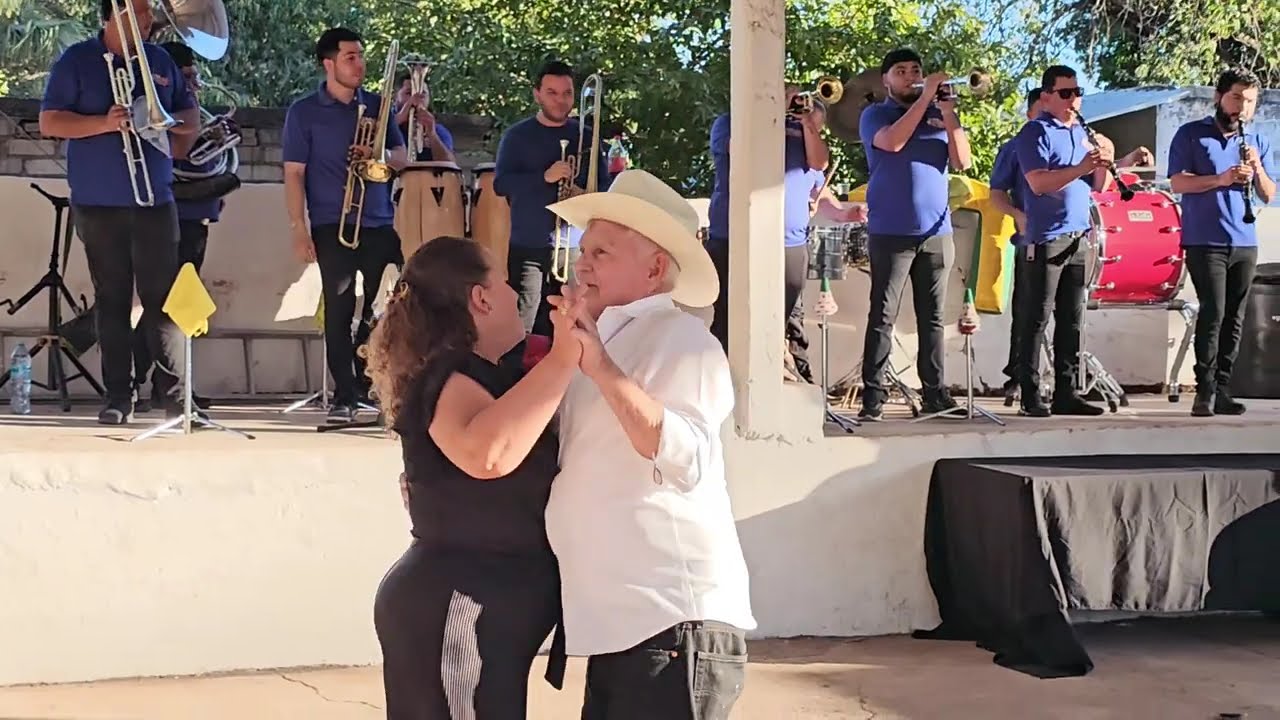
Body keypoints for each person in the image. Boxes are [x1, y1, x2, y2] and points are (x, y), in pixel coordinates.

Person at [546, 169, 755, 719]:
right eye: (583, 250)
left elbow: (687, 458)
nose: (582, 265)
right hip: (629, 624)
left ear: (655, 268)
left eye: (601, 252)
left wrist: (601, 367)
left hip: (671, 623)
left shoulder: (684, 340)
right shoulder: (607, 338)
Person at [365, 236, 574, 719]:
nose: (516, 296)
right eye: (505, 283)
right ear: (481, 298)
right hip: (460, 602)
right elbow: (488, 455)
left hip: (476, 606)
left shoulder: (489, 375)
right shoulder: (450, 374)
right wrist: (565, 357)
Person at [38, 0, 200, 425]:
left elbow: (188, 114)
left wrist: (174, 131)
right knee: (112, 301)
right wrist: (106, 123)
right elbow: (50, 122)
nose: (150, 20)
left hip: (155, 201)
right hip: (99, 203)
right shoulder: (77, 60)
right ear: (115, 16)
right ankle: (118, 398)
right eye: (140, 12)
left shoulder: (159, 60)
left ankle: (177, 399)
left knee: (164, 301)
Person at [282, 27, 409, 423]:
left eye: (361, 56)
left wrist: (376, 154)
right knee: (338, 308)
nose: (359, 64)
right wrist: (298, 227)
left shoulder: (378, 105)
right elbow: (294, 173)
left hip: (378, 220)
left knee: (385, 304)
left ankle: (368, 381)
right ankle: (344, 395)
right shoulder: (303, 111)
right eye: (350, 57)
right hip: (330, 222)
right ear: (329, 63)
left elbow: (402, 157)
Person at [706, 89, 864, 383]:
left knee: (780, 319)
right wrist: (775, 116)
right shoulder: (730, 122)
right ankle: (723, 385)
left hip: (790, 241)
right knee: (730, 319)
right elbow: (744, 151)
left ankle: (773, 380)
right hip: (734, 237)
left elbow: (818, 173)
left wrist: (842, 214)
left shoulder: (805, 135)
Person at [857, 48, 971, 420]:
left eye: (916, 70)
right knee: (883, 315)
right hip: (891, 231)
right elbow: (892, 143)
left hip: (937, 232)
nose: (911, 76)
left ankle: (935, 394)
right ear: (886, 80)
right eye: (901, 71)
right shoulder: (875, 114)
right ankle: (872, 398)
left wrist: (949, 113)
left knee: (933, 318)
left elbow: (963, 161)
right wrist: (925, 100)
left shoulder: (938, 115)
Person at [1167, 68, 1276, 417]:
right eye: (1236, 98)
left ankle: (1224, 388)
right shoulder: (1191, 134)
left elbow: (1269, 193)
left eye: (1249, 101)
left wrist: (1256, 168)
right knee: (1212, 311)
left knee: (1235, 317)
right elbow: (1178, 183)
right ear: (1218, 97)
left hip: (1244, 240)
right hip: (1204, 239)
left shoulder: (1256, 141)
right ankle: (1205, 390)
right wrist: (1221, 179)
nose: (1242, 107)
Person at [132, 40, 224, 413]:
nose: (195, 84)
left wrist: (216, 138)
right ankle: (147, 383)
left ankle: (169, 386)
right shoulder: (159, 116)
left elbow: (211, 164)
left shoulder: (193, 116)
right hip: (171, 218)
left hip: (197, 219)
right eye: (187, 77)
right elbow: (177, 158)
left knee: (182, 307)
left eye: (194, 76)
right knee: (165, 308)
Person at [1013, 65, 1110, 417]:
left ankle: (1066, 392)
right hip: (1046, 236)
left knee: (1071, 319)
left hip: (1078, 235)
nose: (1074, 100)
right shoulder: (1035, 132)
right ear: (1046, 97)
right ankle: (1029, 392)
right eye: (1065, 93)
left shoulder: (1083, 132)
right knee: (1036, 317)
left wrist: (1104, 161)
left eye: (1077, 92)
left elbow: (1099, 186)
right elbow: (1038, 183)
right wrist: (1083, 167)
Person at [493, 60, 613, 336]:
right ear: (537, 94)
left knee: (574, 322)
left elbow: (605, 186)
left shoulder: (586, 136)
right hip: (529, 245)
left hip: (575, 247)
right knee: (523, 324)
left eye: (567, 93)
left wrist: (585, 195)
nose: (561, 100)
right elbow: (501, 184)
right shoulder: (517, 136)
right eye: (552, 93)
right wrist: (543, 177)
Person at [393, 70, 456, 163]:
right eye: (409, 93)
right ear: (395, 97)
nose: (415, 100)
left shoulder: (438, 130)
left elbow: (449, 165)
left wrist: (433, 136)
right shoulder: (383, 121)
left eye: (422, 95)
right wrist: (398, 120)